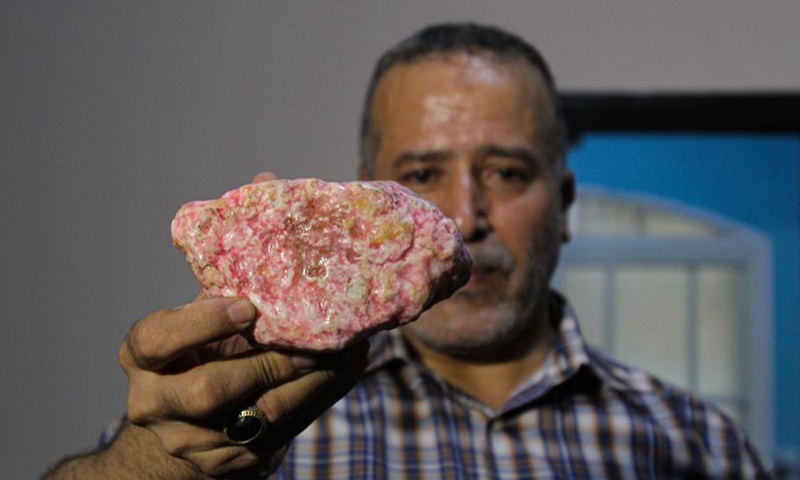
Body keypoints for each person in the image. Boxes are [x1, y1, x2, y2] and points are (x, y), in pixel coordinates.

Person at [44, 23, 768, 479]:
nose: (464, 216)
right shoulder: (259, 399)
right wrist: (159, 467)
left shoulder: (698, 442)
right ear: (357, 199)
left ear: (566, 204)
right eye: (421, 177)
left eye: (506, 173)